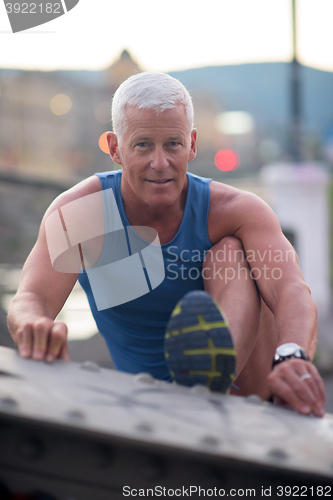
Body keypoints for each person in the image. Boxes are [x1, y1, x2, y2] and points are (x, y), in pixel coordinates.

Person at [7, 72, 325, 417]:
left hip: (245, 396)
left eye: (172, 144)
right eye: (143, 144)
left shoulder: (236, 211)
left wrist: (293, 354)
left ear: (191, 144)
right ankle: (192, 390)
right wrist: (33, 325)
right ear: (115, 148)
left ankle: (208, 382)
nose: (160, 164)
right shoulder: (80, 214)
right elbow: (31, 297)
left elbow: (291, 288)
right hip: (146, 399)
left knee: (229, 251)